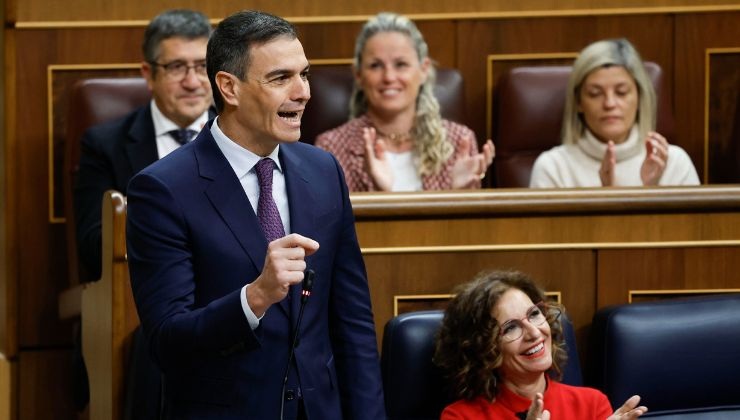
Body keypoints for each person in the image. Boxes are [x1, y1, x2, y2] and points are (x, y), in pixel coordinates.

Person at [126, 10, 385, 420]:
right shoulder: (162, 189)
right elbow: (166, 341)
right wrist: (255, 297)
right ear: (229, 87)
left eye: (305, 75)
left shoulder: (323, 171)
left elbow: (352, 324)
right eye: (281, 78)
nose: (302, 92)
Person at [74, 9, 214, 281]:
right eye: (176, 67)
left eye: (202, 66)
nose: (192, 82)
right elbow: (93, 248)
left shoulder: (242, 136)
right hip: (144, 292)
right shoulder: (104, 145)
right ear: (148, 74)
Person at [315, 12, 494, 192]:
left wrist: (459, 194)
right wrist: (380, 194)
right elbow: (331, 220)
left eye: (401, 64)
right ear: (359, 75)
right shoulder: (331, 148)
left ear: (423, 70)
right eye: (375, 65)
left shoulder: (459, 141)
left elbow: (469, 221)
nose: (389, 77)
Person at [434, 270, 648, 419]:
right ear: (484, 348)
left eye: (534, 314)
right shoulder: (461, 417)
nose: (535, 333)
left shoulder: (591, 404)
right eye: (511, 328)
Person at [529, 38, 699, 188]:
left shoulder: (674, 162)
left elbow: (692, 225)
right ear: (579, 102)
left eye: (622, 92)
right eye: (595, 93)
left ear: (639, 97)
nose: (609, 103)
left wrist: (650, 191)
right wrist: (607, 199)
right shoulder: (553, 167)